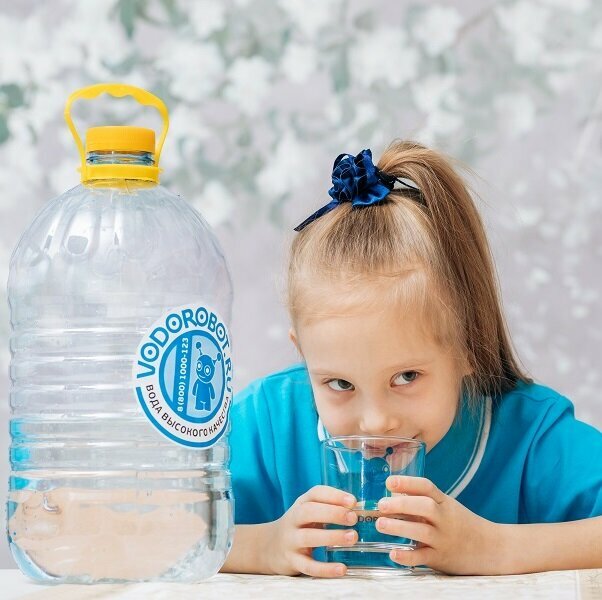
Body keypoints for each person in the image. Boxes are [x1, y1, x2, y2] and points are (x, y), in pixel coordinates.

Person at [221, 141, 602, 577]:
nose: (376, 422)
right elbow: (153, 530)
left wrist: (495, 547)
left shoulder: (528, 437)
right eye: (340, 384)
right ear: (303, 354)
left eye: (406, 377)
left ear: (469, 344)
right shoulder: (270, 423)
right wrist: (260, 547)